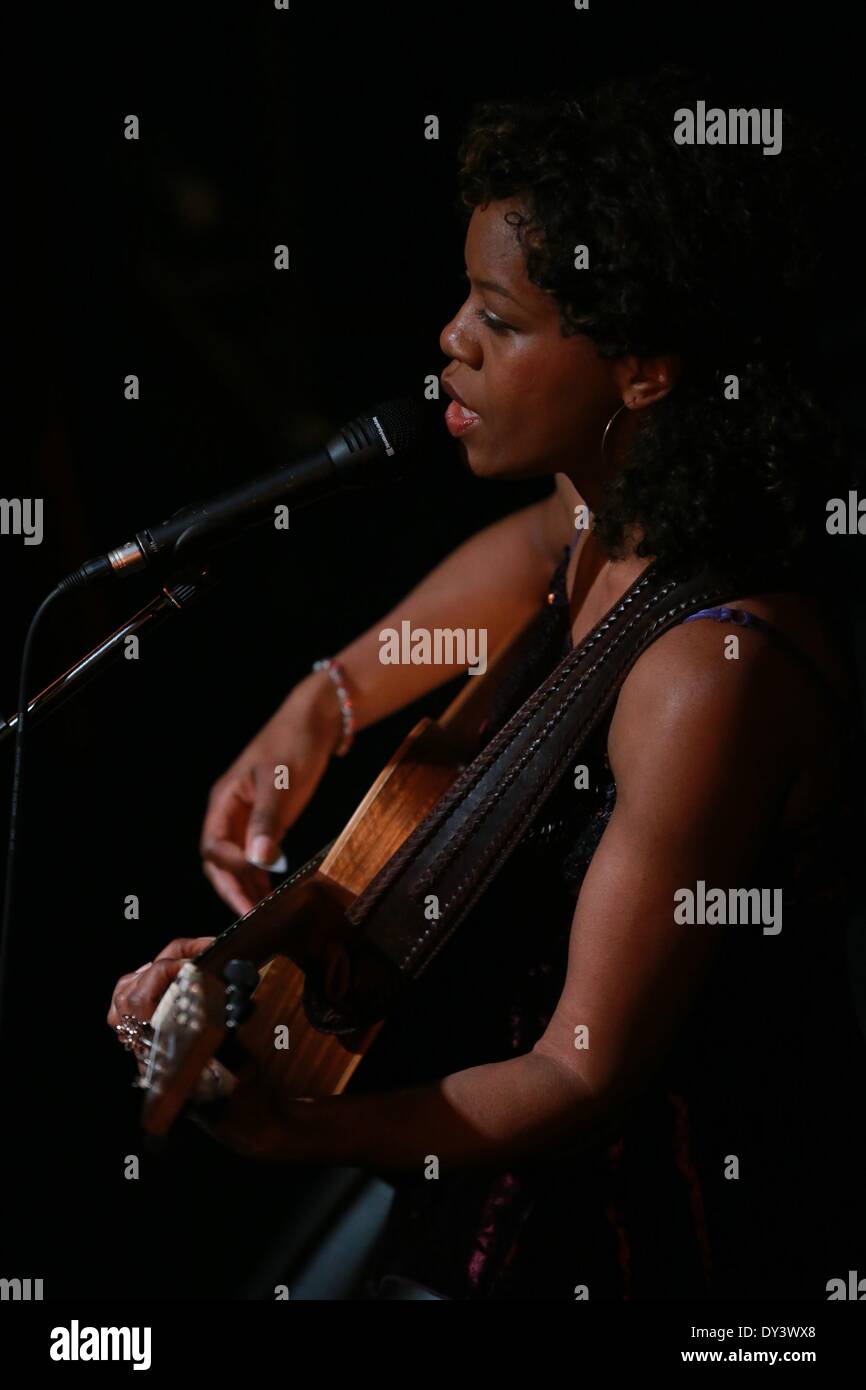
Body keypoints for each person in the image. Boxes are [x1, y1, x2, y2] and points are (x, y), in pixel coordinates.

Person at [107, 68, 866, 1300]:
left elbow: (580, 1073)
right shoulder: (600, 512)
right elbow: (523, 555)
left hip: (661, 1247)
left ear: (643, 370)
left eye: (500, 321)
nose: (449, 338)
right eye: (465, 296)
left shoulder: (705, 679)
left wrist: (298, 1131)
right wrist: (326, 701)